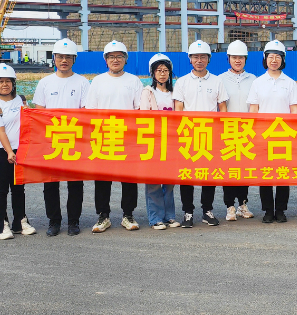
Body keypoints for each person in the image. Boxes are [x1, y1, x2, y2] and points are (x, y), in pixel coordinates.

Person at [87, 40, 143, 233]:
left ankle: (128, 214)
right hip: (104, 136)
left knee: (129, 178)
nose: (115, 60)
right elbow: (90, 111)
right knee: (103, 178)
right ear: (106, 60)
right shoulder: (97, 81)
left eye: (119, 56)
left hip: (128, 137)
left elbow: (140, 110)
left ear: (125, 59)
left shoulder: (134, 81)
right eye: (111, 57)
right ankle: (103, 215)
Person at [35, 38, 89, 237]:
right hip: (52, 139)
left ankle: (73, 221)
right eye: (60, 57)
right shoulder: (45, 83)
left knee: (75, 183)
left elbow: (85, 111)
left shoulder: (83, 82)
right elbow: (39, 112)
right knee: (50, 183)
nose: (64, 60)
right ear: (54, 59)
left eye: (68, 57)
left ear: (74, 59)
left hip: (75, 139)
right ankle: (54, 221)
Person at [173, 40, 229, 228]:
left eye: (203, 57)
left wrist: (221, 132)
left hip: (210, 134)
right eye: (195, 57)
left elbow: (222, 108)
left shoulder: (217, 81)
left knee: (208, 174)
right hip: (188, 135)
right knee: (187, 175)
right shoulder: (182, 82)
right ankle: (188, 212)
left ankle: (207, 210)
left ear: (208, 59)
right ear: (190, 59)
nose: (199, 60)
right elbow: (178, 109)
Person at [247, 39, 297, 224]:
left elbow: (294, 110)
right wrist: (254, 135)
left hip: (284, 136)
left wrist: (294, 135)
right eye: (271, 57)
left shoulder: (290, 83)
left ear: (283, 60)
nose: (274, 60)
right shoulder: (258, 82)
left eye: (278, 57)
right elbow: (253, 110)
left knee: (283, 174)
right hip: (263, 136)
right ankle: (268, 210)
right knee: (266, 174)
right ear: (265, 59)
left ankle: (281, 210)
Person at [0, 63, 35, 239]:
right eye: (0, 82)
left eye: (8, 81)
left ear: (13, 83)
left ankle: (20, 222)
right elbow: (0, 132)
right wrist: (9, 152)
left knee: (18, 188)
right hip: (1, 152)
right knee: (1, 190)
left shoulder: (21, 100)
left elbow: (30, 121)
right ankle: (2, 225)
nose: (4, 85)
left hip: (20, 150)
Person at [141, 53, 181, 230]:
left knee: (169, 182)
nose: (162, 74)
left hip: (171, 142)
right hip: (154, 142)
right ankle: (155, 218)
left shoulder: (175, 93)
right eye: (158, 70)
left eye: (165, 70)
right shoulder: (148, 92)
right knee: (154, 182)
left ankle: (169, 216)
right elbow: (144, 116)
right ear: (152, 73)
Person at [219, 40, 256, 221]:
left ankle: (242, 204)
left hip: (247, 130)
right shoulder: (220, 79)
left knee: (244, 170)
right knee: (229, 170)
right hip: (227, 130)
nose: (238, 60)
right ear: (229, 59)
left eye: (241, 57)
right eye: (234, 57)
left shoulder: (253, 79)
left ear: (245, 59)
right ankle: (230, 206)